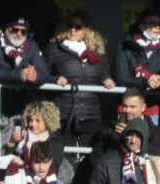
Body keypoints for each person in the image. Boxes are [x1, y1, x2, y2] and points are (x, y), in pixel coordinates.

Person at [45, 13, 115, 152]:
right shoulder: (54, 49)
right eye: (70, 26)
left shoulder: (97, 51)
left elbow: (104, 73)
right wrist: (54, 79)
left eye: (78, 27)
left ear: (86, 30)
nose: (72, 30)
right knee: (61, 156)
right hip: (63, 114)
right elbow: (41, 74)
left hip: (91, 113)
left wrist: (108, 80)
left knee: (91, 157)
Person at [113, 14, 160, 101]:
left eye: (159, 25)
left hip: (154, 105)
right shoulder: (125, 46)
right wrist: (145, 81)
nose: (157, 28)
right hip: (129, 104)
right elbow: (122, 79)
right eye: (152, 25)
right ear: (142, 27)